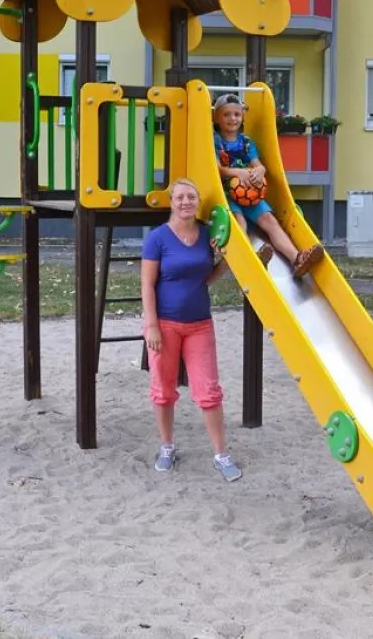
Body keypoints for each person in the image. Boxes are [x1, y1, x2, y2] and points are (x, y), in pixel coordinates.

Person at [140, 177, 242, 482]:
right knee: (163, 389)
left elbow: (205, 277)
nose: (186, 202)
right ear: (171, 202)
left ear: (198, 202)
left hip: (199, 325)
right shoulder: (157, 238)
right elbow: (147, 284)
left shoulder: (207, 234)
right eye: (180, 197)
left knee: (209, 390)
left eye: (191, 197)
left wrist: (225, 262)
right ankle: (167, 447)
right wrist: (152, 326)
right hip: (165, 325)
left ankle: (221, 454)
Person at [213, 92, 324, 279]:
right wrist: (239, 172)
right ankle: (251, 259)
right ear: (217, 117)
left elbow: (258, 165)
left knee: (270, 221)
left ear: (242, 116)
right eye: (226, 114)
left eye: (237, 114)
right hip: (228, 194)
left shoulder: (247, 142)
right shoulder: (215, 141)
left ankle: (297, 258)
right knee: (239, 223)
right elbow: (218, 168)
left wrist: (260, 171)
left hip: (251, 194)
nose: (232, 119)